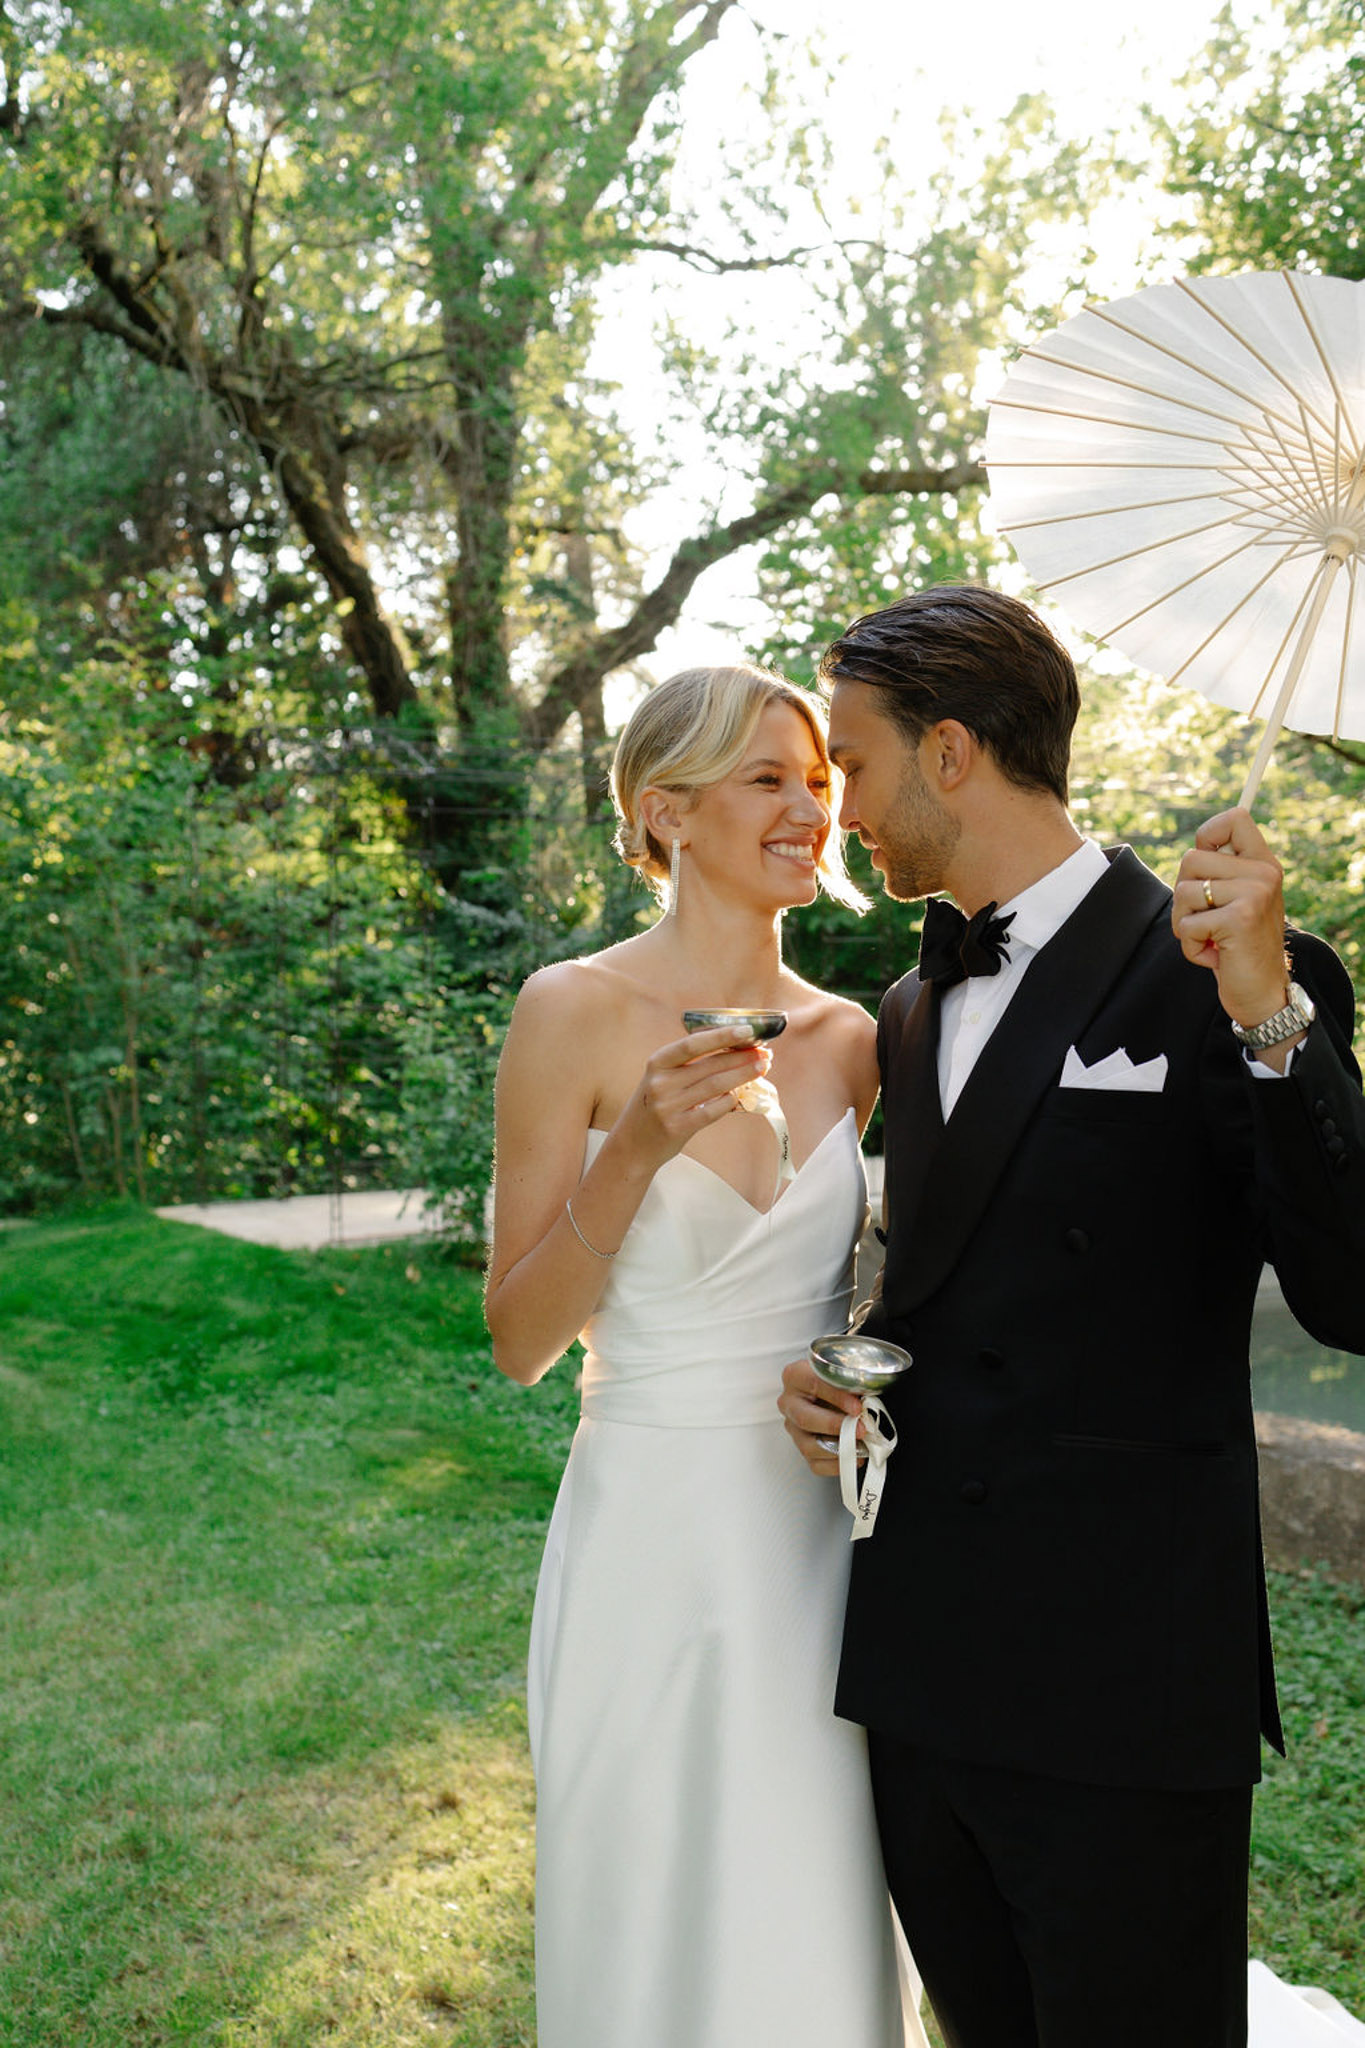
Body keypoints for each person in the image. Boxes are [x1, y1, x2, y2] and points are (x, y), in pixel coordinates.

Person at [778, 585, 1365, 2048]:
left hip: (1118, 1680)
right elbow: (952, 1282)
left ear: (952, 752)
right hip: (919, 1667)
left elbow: (1351, 1293)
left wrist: (1266, 1012)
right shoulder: (908, 1009)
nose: (840, 806)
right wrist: (834, 1375)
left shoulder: (1226, 968)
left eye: (852, 761)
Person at [485, 663, 928, 2048]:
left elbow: (918, 1293)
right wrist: (633, 1154)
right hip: (648, 1540)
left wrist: (861, 1379)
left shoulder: (858, 1040)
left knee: (811, 1904)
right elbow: (517, 1341)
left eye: (819, 779)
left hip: (815, 1543)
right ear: (666, 813)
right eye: (767, 780)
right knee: (651, 1900)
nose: (812, 807)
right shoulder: (571, 1009)